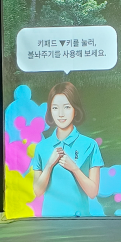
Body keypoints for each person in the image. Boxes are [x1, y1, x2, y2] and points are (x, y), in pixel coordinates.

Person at [32, 82, 104, 217]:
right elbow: (37, 191)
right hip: (49, 220)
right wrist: (49, 165)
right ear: (50, 111)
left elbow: (93, 192)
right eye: (55, 108)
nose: (60, 114)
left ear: (75, 109)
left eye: (66, 107)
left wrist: (74, 168)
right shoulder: (41, 147)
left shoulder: (90, 145)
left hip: (80, 220)